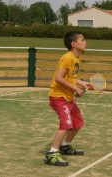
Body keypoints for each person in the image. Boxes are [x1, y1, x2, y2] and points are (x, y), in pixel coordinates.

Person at [44, 31, 92, 166]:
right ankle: (51, 153)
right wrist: (75, 89)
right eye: (82, 40)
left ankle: (65, 146)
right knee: (66, 124)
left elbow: (71, 77)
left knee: (78, 123)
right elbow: (58, 78)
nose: (85, 42)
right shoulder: (68, 57)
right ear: (73, 44)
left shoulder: (76, 58)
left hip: (68, 98)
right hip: (58, 97)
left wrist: (82, 83)